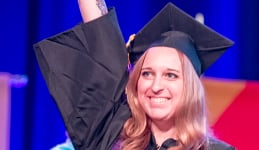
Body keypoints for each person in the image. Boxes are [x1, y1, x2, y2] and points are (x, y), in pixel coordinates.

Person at [34, 0, 234, 149]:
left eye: (171, 75)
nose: (156, 86)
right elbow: (102, 42)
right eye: (147, 73)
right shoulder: (111, 138)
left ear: (190, 87)